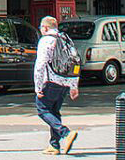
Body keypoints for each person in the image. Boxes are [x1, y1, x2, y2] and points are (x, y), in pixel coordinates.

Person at [33, 15, 80, 155]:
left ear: (45, 28)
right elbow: (75, 62)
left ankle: (66, 133)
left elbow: (40, 64)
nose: (41, 30)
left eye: (41, 27)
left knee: (42, 109)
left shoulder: (45, 40)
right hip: (65, 83)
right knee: (54, 112)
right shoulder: (65, 39)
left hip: (51, 82)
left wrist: (38, 86)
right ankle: (54, 145)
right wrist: (73, 85)